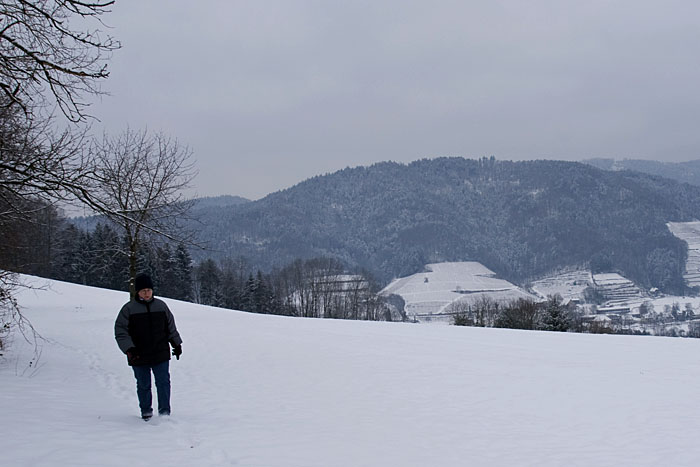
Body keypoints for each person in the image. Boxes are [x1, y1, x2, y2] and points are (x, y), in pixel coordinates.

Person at [114, 273, 183, 420]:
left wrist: (176, 343)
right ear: (137, 292)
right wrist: (129, 349)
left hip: (160, 352)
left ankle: (165, 412)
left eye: (149, 290)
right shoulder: (128, 309)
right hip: (138, 354)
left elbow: (170, 327)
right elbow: (121, 332)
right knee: (144, 384)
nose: (147, 293)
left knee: (163, 382)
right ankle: (146, 411)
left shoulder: (161, 306)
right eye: (143, 290)